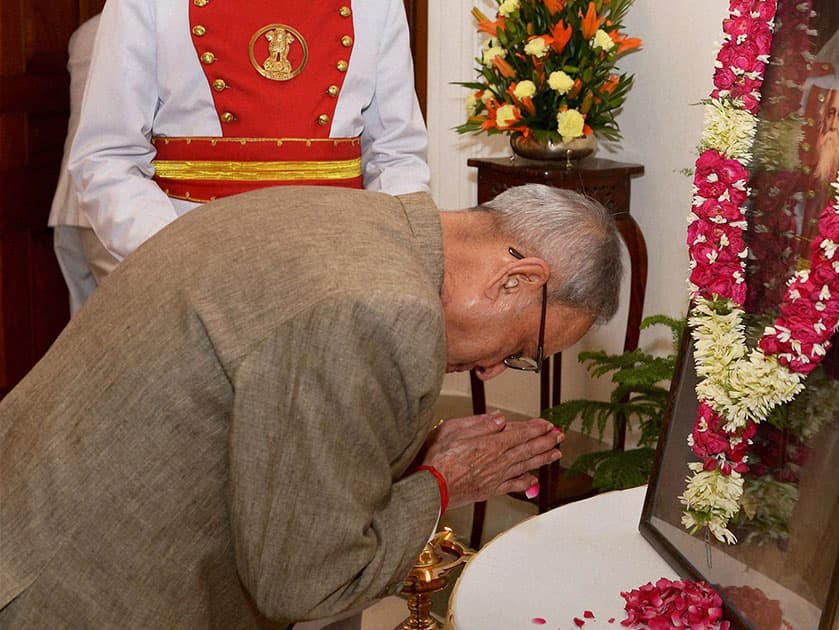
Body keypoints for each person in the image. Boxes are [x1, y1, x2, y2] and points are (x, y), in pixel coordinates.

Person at [0, 183, 624, 628]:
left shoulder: (348, 216)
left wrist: (411, 460)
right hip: (71, 595)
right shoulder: (384, 309)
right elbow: (308, 578)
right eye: (520, 348)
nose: (491, 370)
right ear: (517, 279)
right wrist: (442, 482)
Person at [66, 0, 430, 274]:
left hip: (342, 269)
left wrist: (396, 267)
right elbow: (107, 156)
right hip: (196, 276)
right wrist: (180, 261)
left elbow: (397, 156)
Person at [47, 14, 110, 315]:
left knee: (89, 326)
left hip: (74, 202)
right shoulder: (146, 31)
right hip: (113, 209)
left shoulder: (86, 31)